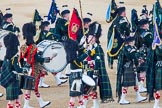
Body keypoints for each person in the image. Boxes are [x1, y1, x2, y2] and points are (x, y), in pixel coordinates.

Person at [20, 22, 52, 108]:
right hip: (34, 69)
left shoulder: (23, 45)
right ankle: (38, 103)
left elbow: (22, 59)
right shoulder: (33, 46)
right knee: (34, 86)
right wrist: (47, 59)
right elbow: (36, 58)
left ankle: (29, 104)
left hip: (26, 69)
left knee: (29, 87)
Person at [117, 36, 147, 105]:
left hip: (126, 67)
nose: (134, 42)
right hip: (129, 68)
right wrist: (138, 62)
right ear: (130, 42)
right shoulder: (131, 49)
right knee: (126, 85)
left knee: (135, 82)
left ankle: (138, 96)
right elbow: (134, 59)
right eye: (133, 41)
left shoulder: (124, 48)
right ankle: (122, 99)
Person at [36, 21, 67, 87]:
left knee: (51, 67)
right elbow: (53, 43)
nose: (49, 27)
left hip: (40, 51)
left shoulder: (40, 33)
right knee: (45, 68)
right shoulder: (50, 34)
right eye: (48, 26)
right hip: (48, 53)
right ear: (46, 27)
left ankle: (58, 81)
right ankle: (40, 83)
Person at [65, 39, 95, 108]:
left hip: (75, 77)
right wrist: (89, 51)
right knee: (73, 96)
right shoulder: (75, 59)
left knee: (79, 95)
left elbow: (80, 54)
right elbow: (82, 57)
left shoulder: (72, 57)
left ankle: (82, 106)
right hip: (76, 79)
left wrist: (82, 46)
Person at [1, 33, 25, 108]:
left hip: (8, 78)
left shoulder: (7, 55)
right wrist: (25, 69)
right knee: (12, 101)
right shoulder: (14, 56)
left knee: (19, 95)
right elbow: (18, 69)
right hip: (12, 80)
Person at [135, 19, 153, 93]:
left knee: (139, 69)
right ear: (144, 25)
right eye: (147, 24)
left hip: (138, 52)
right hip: (145, 53)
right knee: (144, 70)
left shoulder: (137, 33)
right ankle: (141, 86)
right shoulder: (147, 34)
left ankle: (140, 85)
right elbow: (151, 44)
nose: (148, 25)